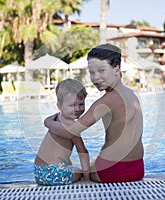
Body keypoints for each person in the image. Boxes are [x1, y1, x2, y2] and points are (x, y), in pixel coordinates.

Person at [44, 44, 144, 183]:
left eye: (101, 70)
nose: (95, 77)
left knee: (81, 170)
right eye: (92, 72)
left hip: (113, 171)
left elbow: (70, 131)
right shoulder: (131, 94)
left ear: (117, 69)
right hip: (137, 169)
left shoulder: (107, 100)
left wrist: (48, 122)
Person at [34, 78, 90, 186]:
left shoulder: (55, 119)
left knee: (67, 162)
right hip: (54, 174)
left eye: (81, 104)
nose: (77, 108)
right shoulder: (73, 127)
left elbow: (47, 120)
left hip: (38, 173)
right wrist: (86, 176)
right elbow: (83, 152)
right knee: (78, 171)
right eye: (72, 105)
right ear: (59, 106)